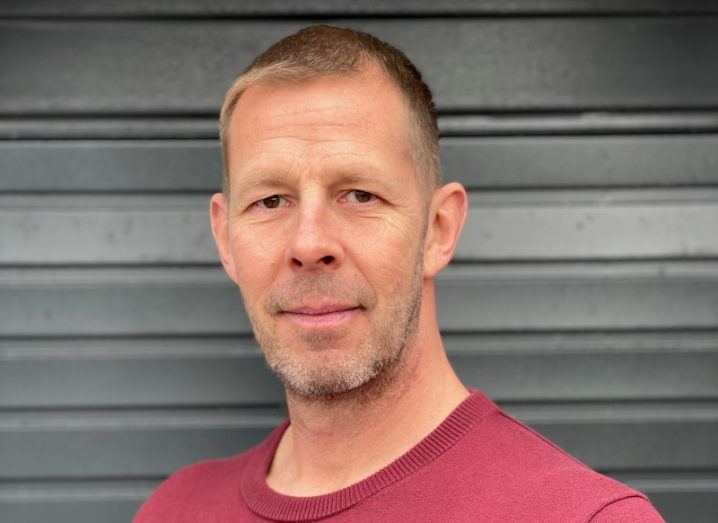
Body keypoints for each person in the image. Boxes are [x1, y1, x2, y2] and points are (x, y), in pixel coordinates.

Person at [134, 25, 664, 522]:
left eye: (360, 195)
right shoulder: (175, 510)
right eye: (271, 200)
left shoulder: (582, 517)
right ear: (225, 238)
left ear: (438, 229)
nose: (310, 243)